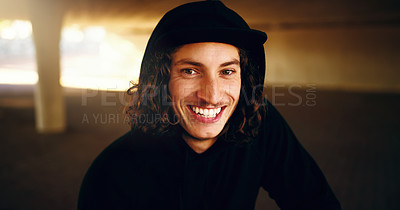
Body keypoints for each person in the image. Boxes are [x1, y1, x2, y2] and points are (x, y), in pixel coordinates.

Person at [78, 1, 341, 209]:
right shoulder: (112, 174)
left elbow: (315, 201)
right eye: (190, 71)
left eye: (227, 72)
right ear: (161, 80)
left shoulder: (260, 123)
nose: (212, 96)